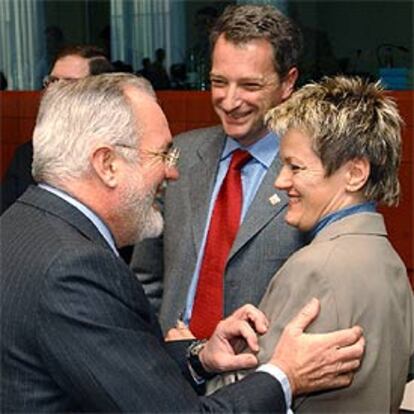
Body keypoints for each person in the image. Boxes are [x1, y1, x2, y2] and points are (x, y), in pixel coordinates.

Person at [0, 73, 365, 412]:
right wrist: (284, 374)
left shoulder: (22, 225)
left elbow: (110, 366)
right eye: (162, 155)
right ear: (107, 164)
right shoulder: (74, 268)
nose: (172, 172)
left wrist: (199, 357)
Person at [210, 76, 414, 411]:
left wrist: (198, 361)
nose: (280, 181)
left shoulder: (314, 268)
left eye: (295, 167)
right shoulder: (388, 261)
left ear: (354, 173)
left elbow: (256, 394)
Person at [130, 4, 306, 335]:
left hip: (258, 373)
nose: (229, 100)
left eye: (250, 86)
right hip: (171, 363)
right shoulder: (180, 155)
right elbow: (146, 279)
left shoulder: (311, 173)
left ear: (287, 83)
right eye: (219, 82)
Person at [0, 44, 113, 214]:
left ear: (100, 93)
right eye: (52, 82)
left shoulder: (120, 154)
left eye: (68, 84)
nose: (54, 92)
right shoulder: (28, 154)